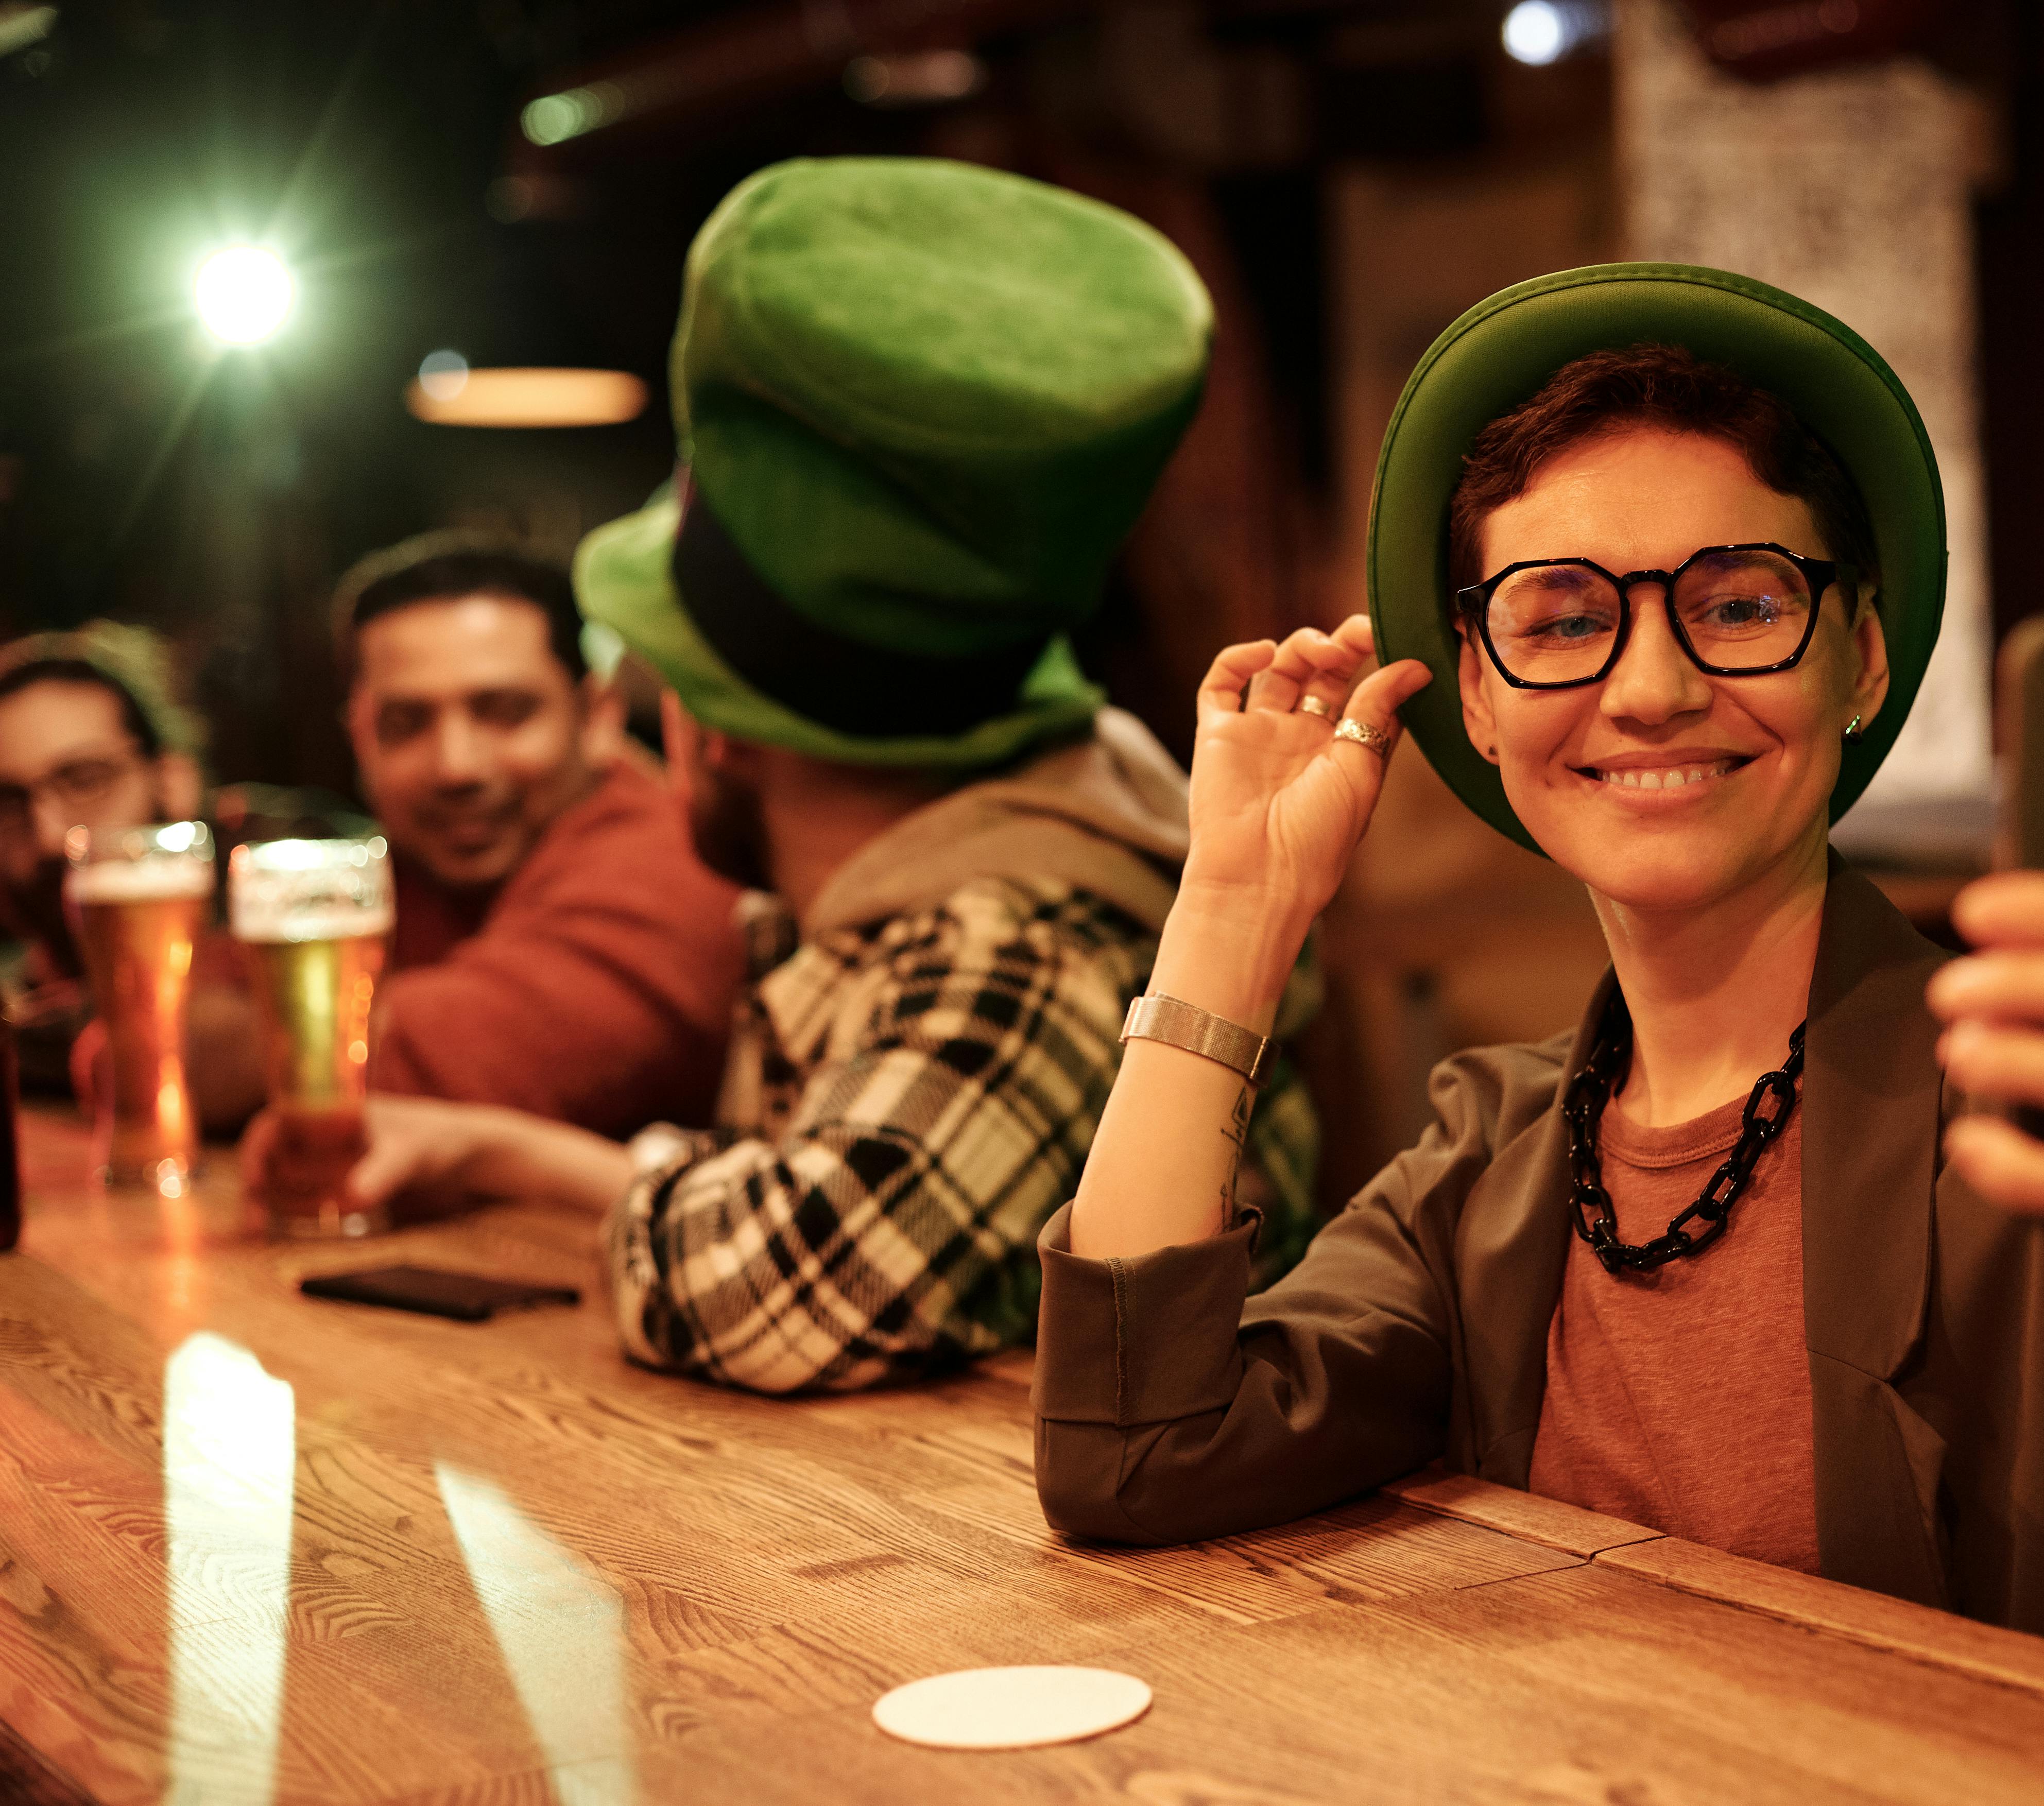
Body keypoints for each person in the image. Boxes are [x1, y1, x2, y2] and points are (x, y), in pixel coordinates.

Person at [1029, 269, 2044, 1685]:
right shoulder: (1488, 1157)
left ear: (1864, 659)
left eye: (1741, 602)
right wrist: (1235, 903)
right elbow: (1137, 1450)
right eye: (1561, 618)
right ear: (1481, 703)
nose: (1649, 686)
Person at [253, 157, 1320, 1393]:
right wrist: (497, 1153)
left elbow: (768, 1289)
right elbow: (795, 1185)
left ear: (723, 725)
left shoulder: (1012, 941)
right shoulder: (893, 899)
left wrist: (527, 1157)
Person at [333, 534, 742, 1137]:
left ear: (598, 715)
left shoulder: (676, 862)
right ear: (361, 737)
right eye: (406, 723)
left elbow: (439, 1074)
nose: (456, 766)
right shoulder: (394, 868)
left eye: (505, 711)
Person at [0, 622, 272, 1117]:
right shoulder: (23, 984)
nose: (48, 836)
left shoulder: (278, 891)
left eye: (84, 779)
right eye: (10, 802)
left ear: (172, 781)